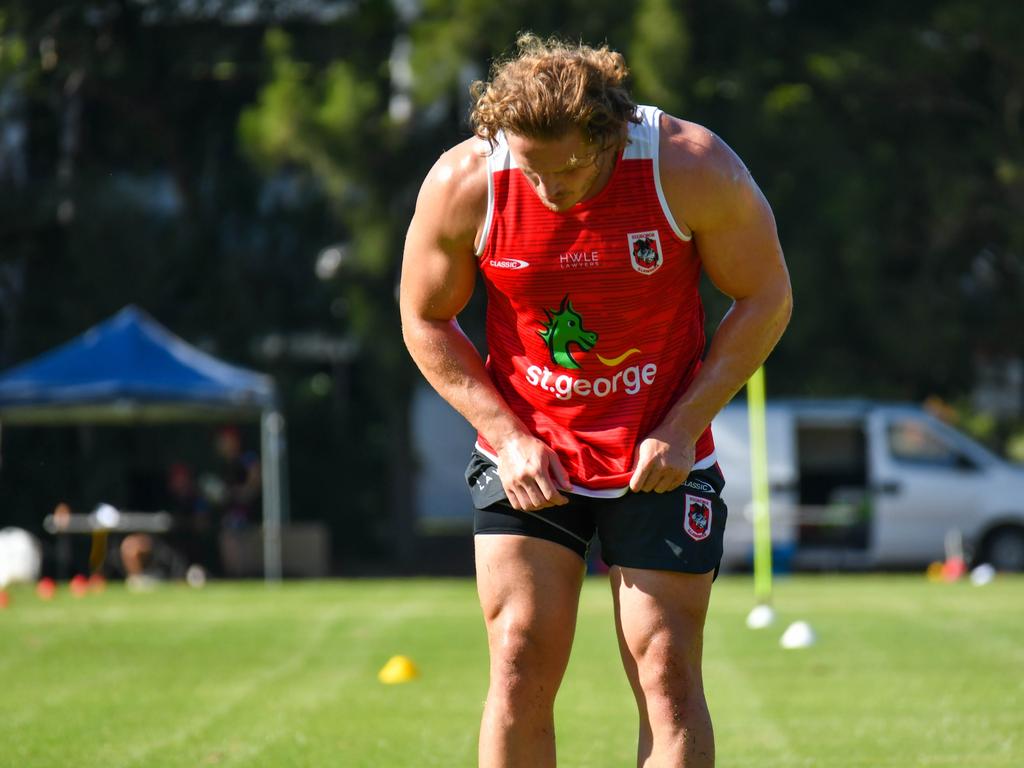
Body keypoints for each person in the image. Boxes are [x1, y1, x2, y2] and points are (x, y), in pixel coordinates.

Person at [400, 34, 792, 768]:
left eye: (571, 168)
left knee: (666, 672)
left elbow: (767, 296)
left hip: (658, 454)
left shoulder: (689, 166)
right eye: (533, 170)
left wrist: (684, 426)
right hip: (527, 451)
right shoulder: (466, 181)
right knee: (517, 659)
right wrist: (506, 436)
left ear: (610, 135)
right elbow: (423, 317)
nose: (551, 191)